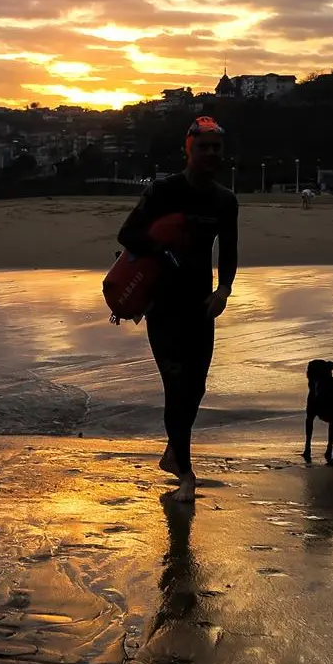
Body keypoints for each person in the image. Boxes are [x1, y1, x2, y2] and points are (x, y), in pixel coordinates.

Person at [116, 117, 239, 503]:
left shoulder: (224, 200)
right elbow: (128, 234)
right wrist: (163, 252)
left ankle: (174, 453)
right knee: (176, 387)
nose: (210, 153)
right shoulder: (164, 191)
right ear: (188, 149)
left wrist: (224, 290)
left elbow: (230, 252)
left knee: (197, 386)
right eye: (203, 146)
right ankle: (186, 475)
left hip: (201, 305)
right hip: (164, 305)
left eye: (216, 147)